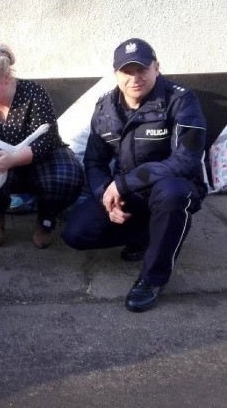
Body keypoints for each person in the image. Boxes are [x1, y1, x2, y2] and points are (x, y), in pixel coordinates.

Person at [61, 38, 208, 313]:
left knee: (173, 195)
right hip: (128, 192)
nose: (135, 78)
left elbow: (186, 161)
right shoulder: (105, 108)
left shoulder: (181, 100)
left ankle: (153, 278)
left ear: (157, 68)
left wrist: (124, 182)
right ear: (116, 74)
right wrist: (105, 196)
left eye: (142, 69)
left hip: (170, 187)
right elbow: (94, 160)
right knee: (76, 234)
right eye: (127, 71)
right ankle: (149, 235)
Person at [0, 44, 83, 249]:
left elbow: (47, 139)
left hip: (38, 158)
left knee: (67, 176)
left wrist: (12, 159)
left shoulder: (33, 93)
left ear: (5, 77)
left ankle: (46, 219)